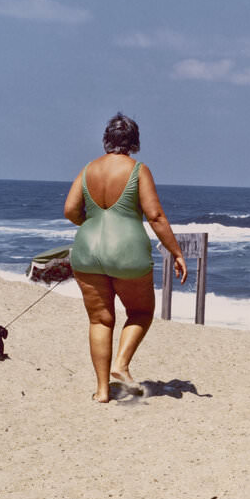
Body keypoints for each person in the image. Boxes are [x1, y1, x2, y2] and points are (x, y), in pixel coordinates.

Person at [63, 113, 188, 403]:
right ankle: (121, 364)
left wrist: (90, 224)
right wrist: (176, 251)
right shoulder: (138, 170)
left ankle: (102, 391)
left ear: (107, 139)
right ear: (134, 141)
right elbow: (155, 216)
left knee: (100, 320)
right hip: (128, 254)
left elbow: (70, 210)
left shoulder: (88, 169)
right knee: (141, 312)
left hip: (87, 252)